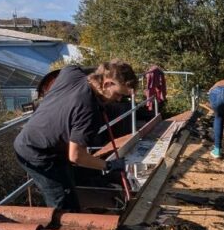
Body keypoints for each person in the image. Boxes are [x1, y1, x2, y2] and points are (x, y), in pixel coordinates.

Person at [14, 61, 139, 210]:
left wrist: (104, 72)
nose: (119, 100)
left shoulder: (72, 74)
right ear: (107, 84)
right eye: (118, 94)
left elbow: (71, 67)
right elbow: (76, 156)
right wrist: (109, 165)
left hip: (41, 141)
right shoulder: (89, 112)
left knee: (76, 178)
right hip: (37, 153)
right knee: (63, 203)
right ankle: (61, 229)